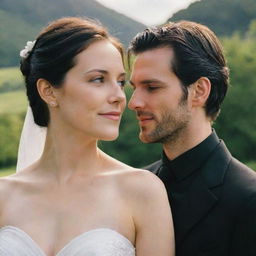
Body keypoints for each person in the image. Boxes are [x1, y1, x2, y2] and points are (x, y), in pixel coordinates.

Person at [0, 17, 175, 256]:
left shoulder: (142, 192)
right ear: (48, 91)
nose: (119, 96)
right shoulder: (3, 196)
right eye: (98, 79)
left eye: (121, 82)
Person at [128, 20, 256, 256]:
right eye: (134, 87)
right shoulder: (131, 187)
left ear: (199, 91)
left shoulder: (248, 198)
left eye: (152, 87)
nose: (133, 102)